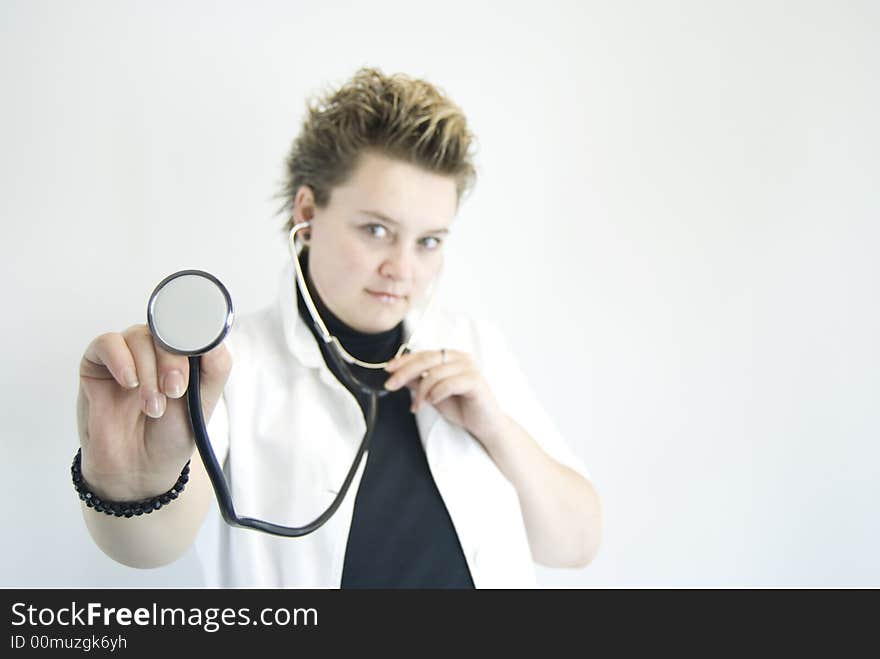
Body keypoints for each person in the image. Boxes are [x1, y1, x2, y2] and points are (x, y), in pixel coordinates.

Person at [76, 67, 602, 588]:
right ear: (308, 211)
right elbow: (149, 544)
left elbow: (575, 544)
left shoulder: (473, 347)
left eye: (429, 242)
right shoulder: (229, 366)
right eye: (377, 230)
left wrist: (496, 429)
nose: (403, 269)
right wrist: (133, 483)